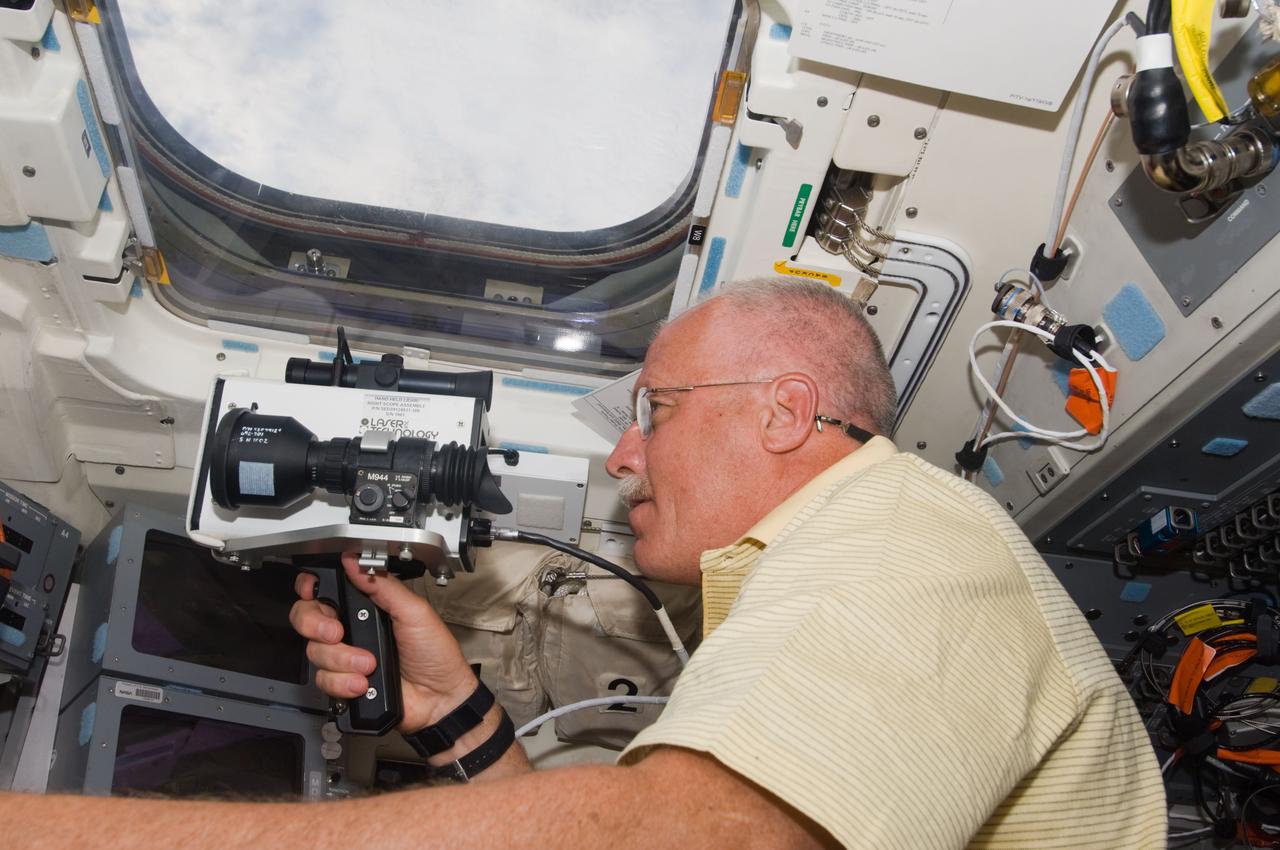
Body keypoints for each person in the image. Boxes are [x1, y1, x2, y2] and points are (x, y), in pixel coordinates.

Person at [6, 278, 1166, 849]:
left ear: (782, 412)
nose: (620, 455)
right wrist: (453, 709)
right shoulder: (816, 567)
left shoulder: (906, 544)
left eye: (653, 410)